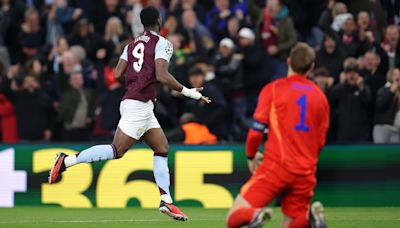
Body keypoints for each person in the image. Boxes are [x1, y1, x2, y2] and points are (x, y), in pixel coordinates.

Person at [49, 6, 211, 221]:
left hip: (135, 102)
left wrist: (136, 82)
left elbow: (117, 75)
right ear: (159, 20)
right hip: (139, 105)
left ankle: (166, 201)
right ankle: (66, 161)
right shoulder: (163, 44)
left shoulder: (131, 45)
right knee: (117, 151)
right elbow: (162, 75)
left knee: (161, 147)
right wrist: (189, 92)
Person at [226, 43, 329, 228]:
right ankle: (310, 221)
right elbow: (320, 142)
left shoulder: (274, 89)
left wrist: (251, 155)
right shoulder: (320, 97)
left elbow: (256, 131)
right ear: (312, 67)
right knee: (291, 223)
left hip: (277, 166)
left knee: (234, 218)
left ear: (288, 61)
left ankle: (256, 214)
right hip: (305, 171)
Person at [327, 57, 372, 143]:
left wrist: (361, 87)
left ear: (358, 74)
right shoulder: (340, 88)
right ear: (345, 74)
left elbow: (368, 101)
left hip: (361, 134)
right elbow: (329, 98)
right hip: (343, 133)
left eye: (354, 73)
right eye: (349, 73)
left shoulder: (363, 88)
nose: (351, 76)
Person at [373, 68, 400, 143]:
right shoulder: (384, 89)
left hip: (396, 129)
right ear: (390, 76)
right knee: (380, 152)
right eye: (395, 74)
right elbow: (380, 105)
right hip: (383, 127)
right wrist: (391, 92)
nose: (398, 77)